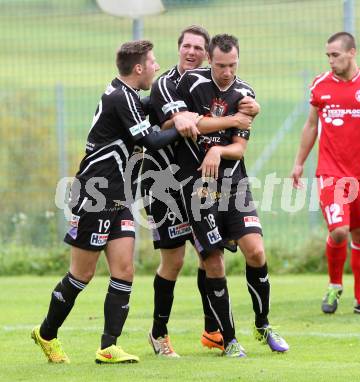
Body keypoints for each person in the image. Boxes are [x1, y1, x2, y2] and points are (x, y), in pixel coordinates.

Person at [31, 40, 195, 364]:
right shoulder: (120, 97)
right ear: (138, 68)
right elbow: (149, 139)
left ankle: (108, 347)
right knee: (82, 275)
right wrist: (181, 127)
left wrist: (179, 106)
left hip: (119, 196)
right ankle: (46, 334)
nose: (156, 66)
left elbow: (150, 106)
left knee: (124, 269)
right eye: (152, 62)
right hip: (95, 195)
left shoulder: (128, 96)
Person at [141, 26, 259, 357]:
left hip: (198, 186)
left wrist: (247, 109)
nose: (191, 52)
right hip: (163, 184)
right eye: (187, 46)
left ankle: (214, 331)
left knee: (210, 256)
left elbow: (226, 112)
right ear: (178, 49)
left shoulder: (206, 89)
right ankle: (159, 334)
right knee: (175, 260)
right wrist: (235, 119)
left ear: (206, 54)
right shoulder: (168, 84)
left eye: (198, 48)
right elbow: (185, 125)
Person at [174, 34, 289, 357]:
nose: (227, 72)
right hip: (197, 188)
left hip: (234, 185)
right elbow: (190, 124)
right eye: (221, 65)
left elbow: (239, 148)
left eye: (233, 65)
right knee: (213, 260)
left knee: (256, 251)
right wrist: (211, 138)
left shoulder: (245, 93)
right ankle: (229, 339)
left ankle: (263, 324)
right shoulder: (191, 84)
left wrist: (218, 151)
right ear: (210, 60)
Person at [290, 32, 360, 314]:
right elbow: (311, 125)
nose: (331, 60)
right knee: (339, 231)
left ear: (352, 53)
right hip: (331, 174)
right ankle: (334, 286)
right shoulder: (320, 86)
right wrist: (299, 162)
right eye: (328, 56)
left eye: (335, 55)